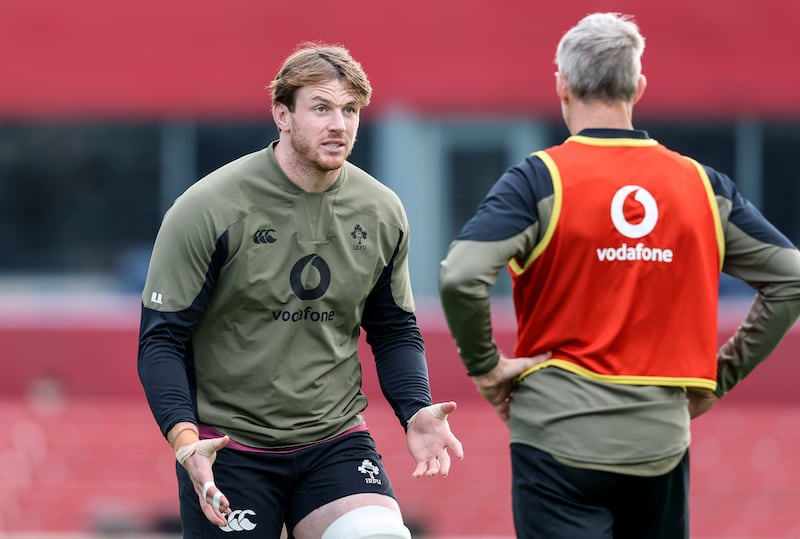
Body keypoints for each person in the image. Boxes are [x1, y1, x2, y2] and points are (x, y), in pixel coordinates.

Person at [439, 12, 800, 539]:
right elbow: (790, 277)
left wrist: (487, 367)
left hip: (554, 436)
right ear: (639, 86)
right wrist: (719, 376)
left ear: (561, 84)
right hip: (660, 443)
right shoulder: (703, 185)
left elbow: (459, 276)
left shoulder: (539, 179)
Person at [138, 41, 463, 539]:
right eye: (321, 108)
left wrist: (414, 409)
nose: (339, 124)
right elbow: (161, 341)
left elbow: (394, 329)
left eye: (350, 109)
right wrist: (186, 443)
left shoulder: (381, 211)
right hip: (228, 447)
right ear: (282, 115)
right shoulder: (206, 207)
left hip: (334, 441)